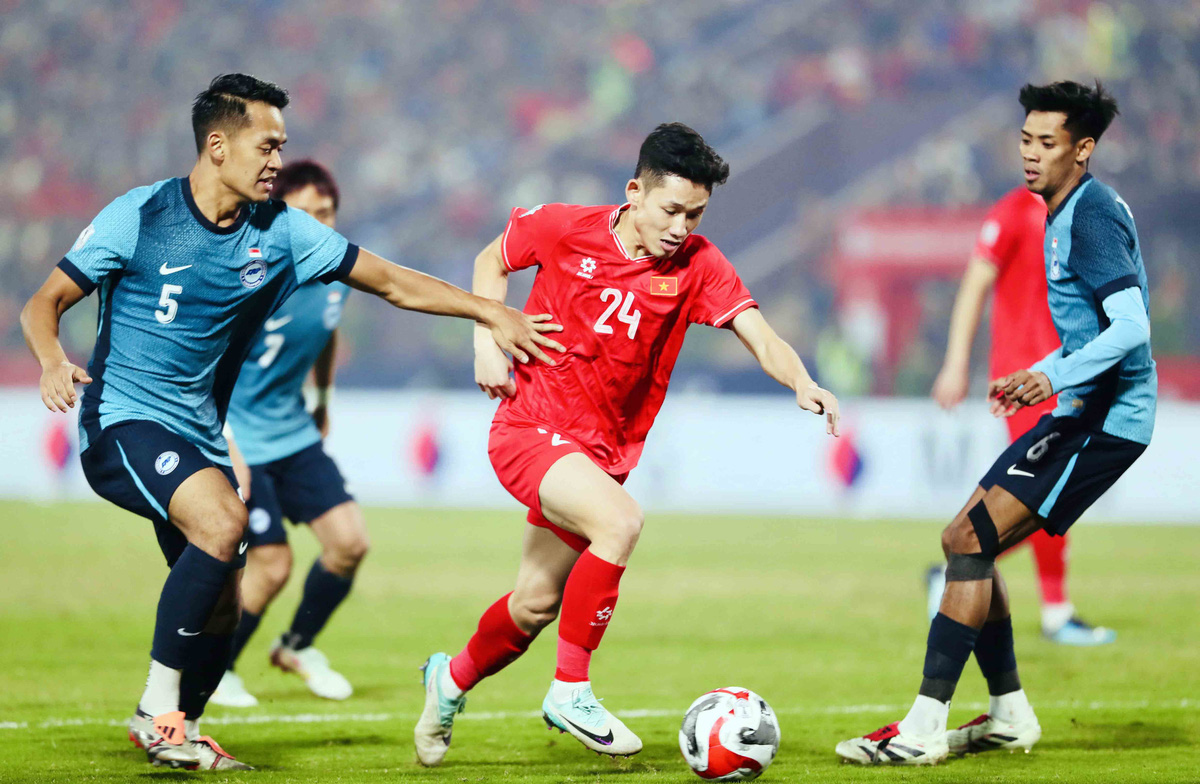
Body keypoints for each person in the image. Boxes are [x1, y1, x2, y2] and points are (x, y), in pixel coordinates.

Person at [20, 73, 562, 771]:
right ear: (218, 145)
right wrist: (49, 360)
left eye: (283, 145)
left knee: (226, 593)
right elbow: (46, 300)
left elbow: (395, 282)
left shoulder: (282, 233)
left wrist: (490, 310)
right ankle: (157, 718)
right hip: (121, 418)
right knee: (223, 525)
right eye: (266, 144)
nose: (278, 160)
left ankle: (177, 725)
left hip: (198, 435)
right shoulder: (142, 214)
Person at [412, 122, 840, 766]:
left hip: (598, 456)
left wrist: (803, 380)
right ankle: (571, 691)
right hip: (528, 428)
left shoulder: (698, 265)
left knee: (533, 604)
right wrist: (485, 342)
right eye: (670, 210)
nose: (680, 227)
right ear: (634, 192)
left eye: (694, 214)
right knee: (621, 523)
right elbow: (488, 261)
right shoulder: (563, 227)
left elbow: (759, 333)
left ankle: (449, 680)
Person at [836, 80, 1155, 766]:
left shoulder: (1090, 216)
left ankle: (924, 727)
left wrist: (1052, 376)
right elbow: (1092, 329)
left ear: (1084, 149)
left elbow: (1131, 327)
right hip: (1079, 409)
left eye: (1047, 143)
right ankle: (1008, 713)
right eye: (1025, 141)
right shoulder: (1062, 211)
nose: (1031, 155)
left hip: (1103, 419)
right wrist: (1038, 371)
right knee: (967, 542)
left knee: (968, 538)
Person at [928, 185, 1116, 645]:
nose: (1033, 150)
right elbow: (975, 283)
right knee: (1047, 489)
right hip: (1024, 377)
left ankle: (958, 565)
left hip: (1069, 374)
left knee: (1048, 494)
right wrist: (955, 364)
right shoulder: (1013, 212)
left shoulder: (1091, 214)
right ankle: (1057, 612)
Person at [206, 160, 362, 708]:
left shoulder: (336, 276)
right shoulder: (251, 275)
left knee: (349, 544)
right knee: (272, 565)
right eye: (308, 214)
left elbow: (324, 335)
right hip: (239, 435)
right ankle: (214, 671)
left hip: (292, 430)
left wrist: (321, 399)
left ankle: (297, 646)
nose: (321, 224)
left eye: (328, 213)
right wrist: (220, 439)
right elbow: (206, 357)